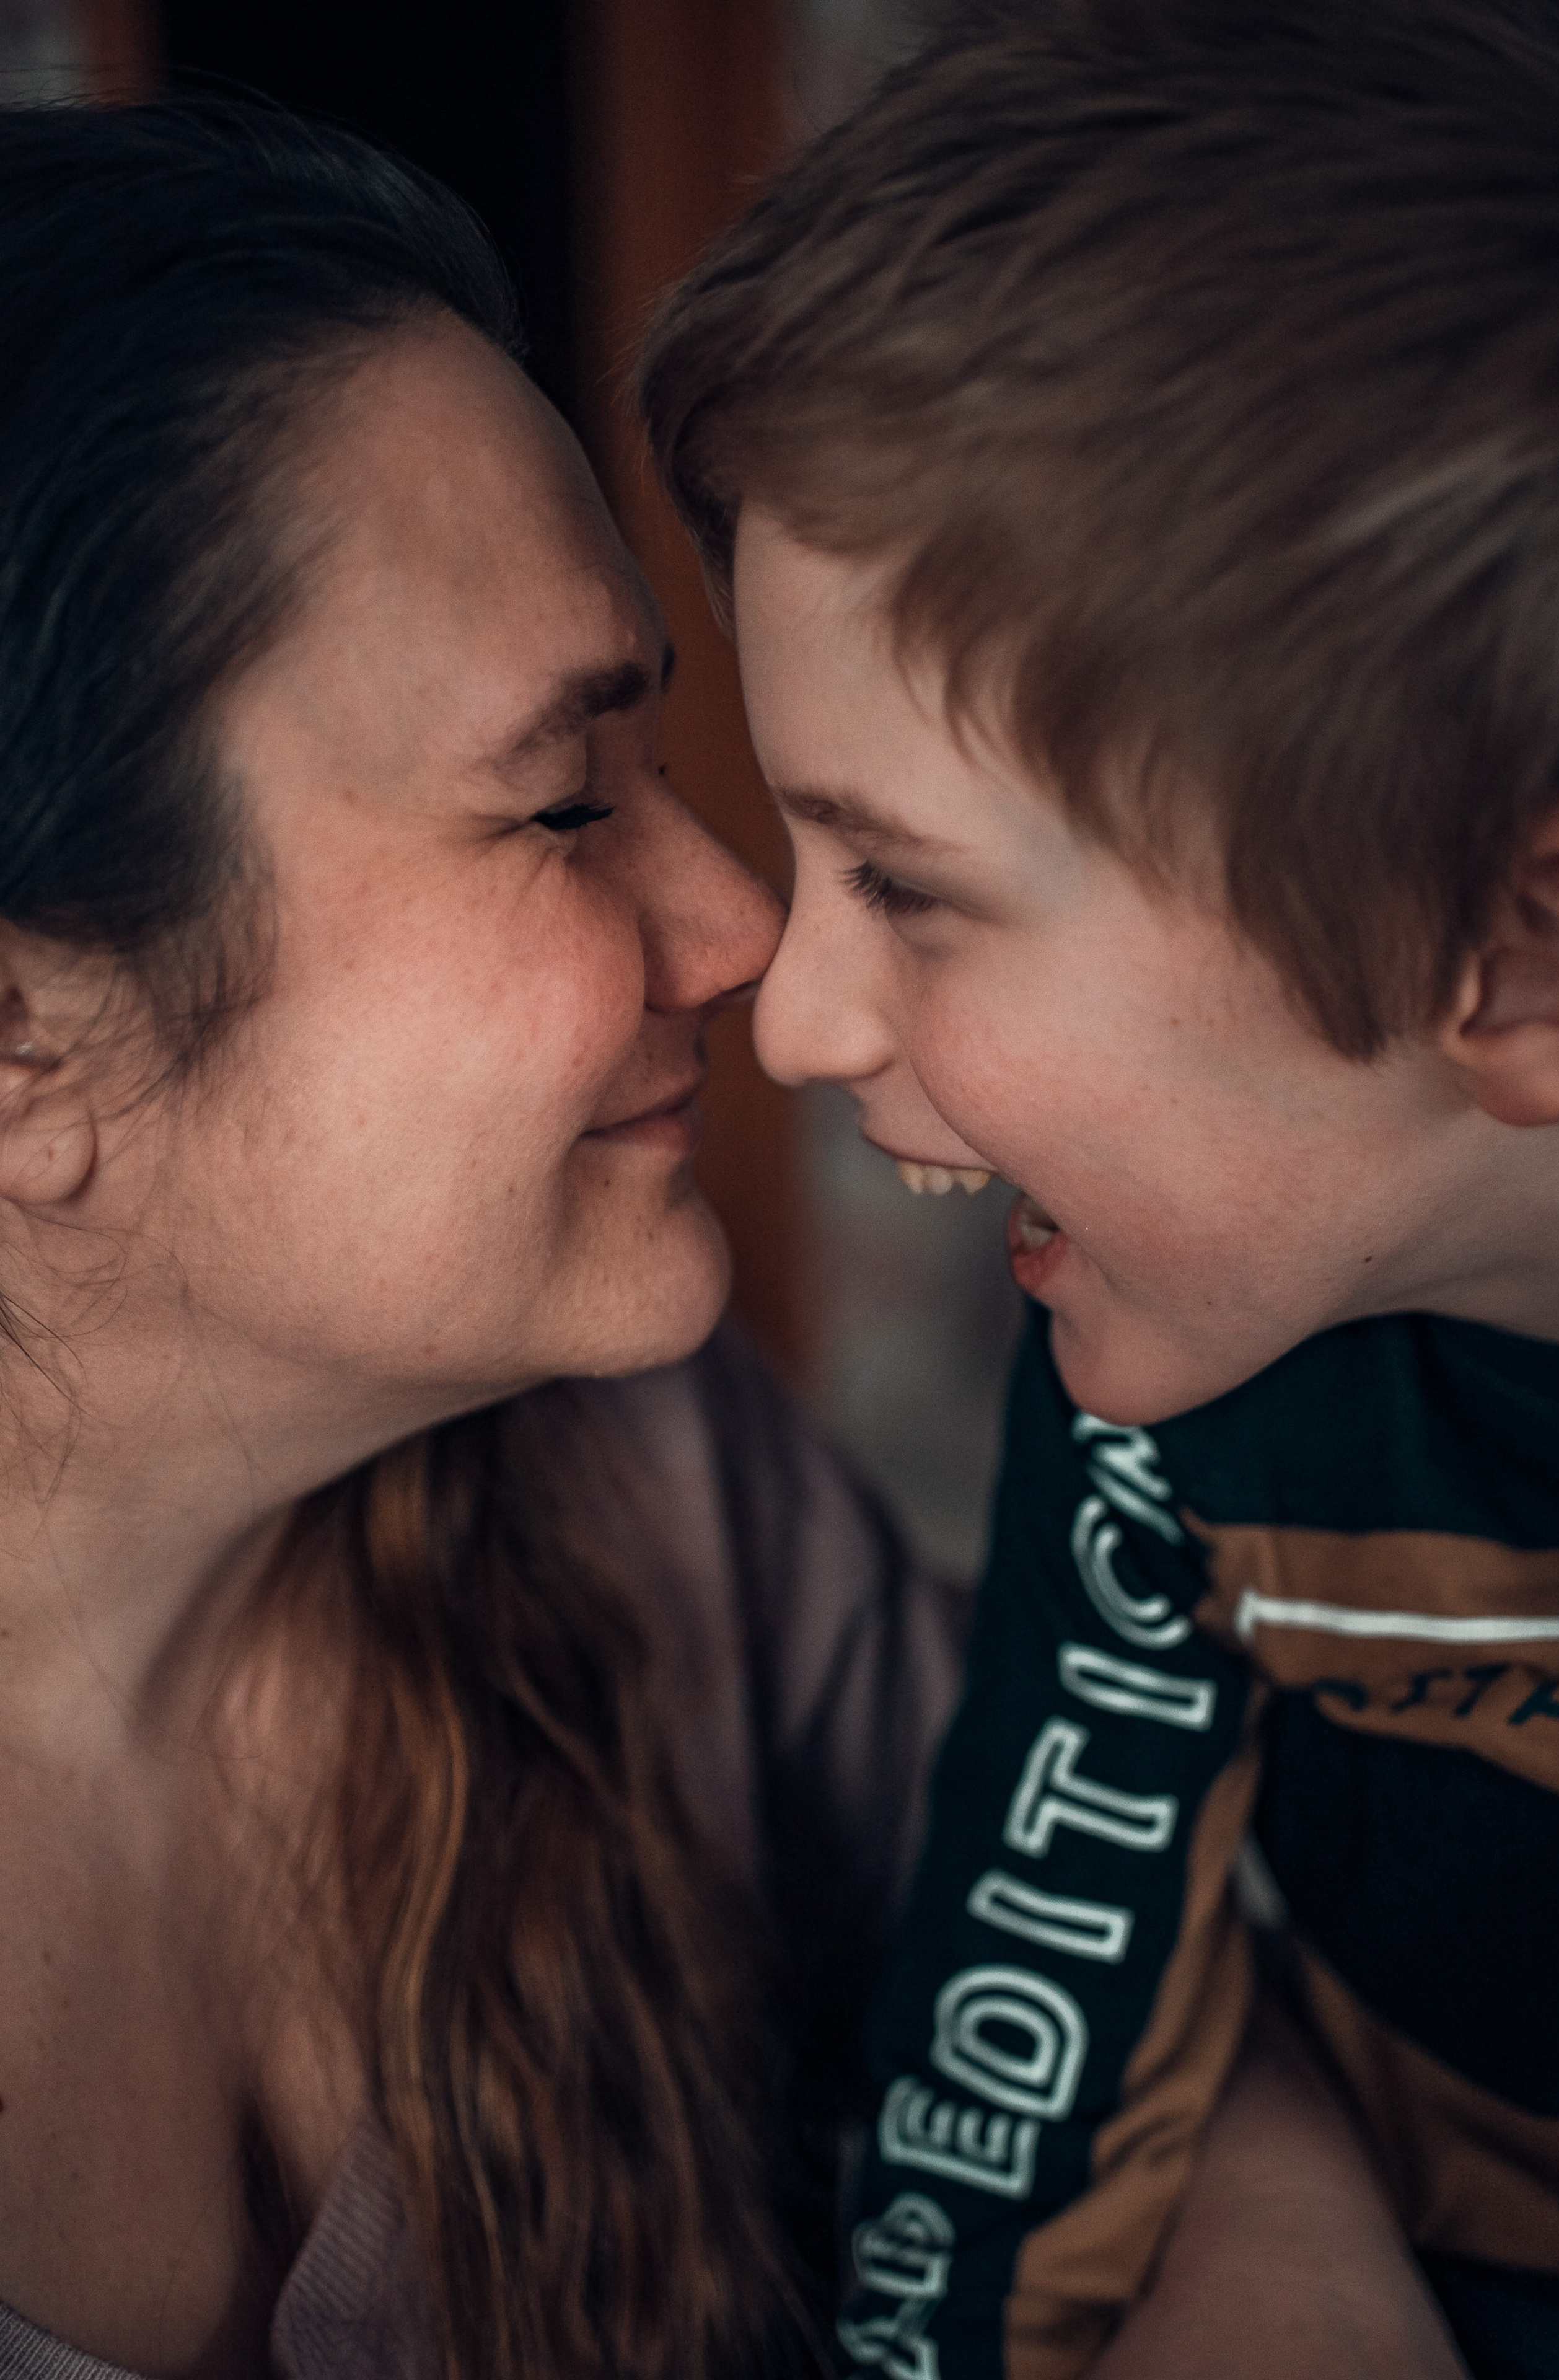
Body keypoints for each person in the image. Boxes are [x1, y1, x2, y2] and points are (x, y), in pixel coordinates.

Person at [638, 4, 1559, 2377]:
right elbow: (1014, 2080)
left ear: (1529, 956)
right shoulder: (1187, 1354)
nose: (793, 1017)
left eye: (910, 890)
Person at [0, 97, 967, 2380]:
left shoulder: (643, 1481)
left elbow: (1127, 1956)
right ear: (28, 1055)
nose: (737, 929)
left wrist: (1275, 2254)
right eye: (559, 804)